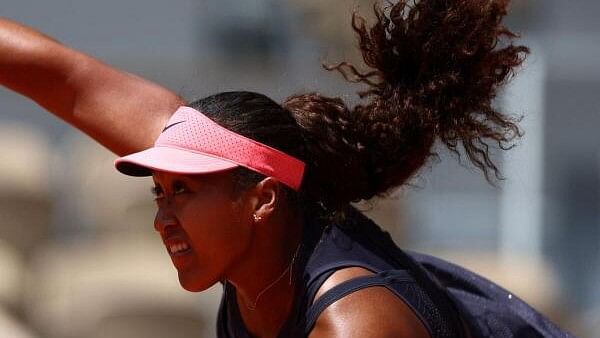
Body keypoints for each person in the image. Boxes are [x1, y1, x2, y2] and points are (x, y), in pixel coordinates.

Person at [1, 1, 566, 337]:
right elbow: (64, 79)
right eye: (160, 193)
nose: (163, 218)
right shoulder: (218, 164)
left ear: (262, 198)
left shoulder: (357, 322)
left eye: (182, 191)